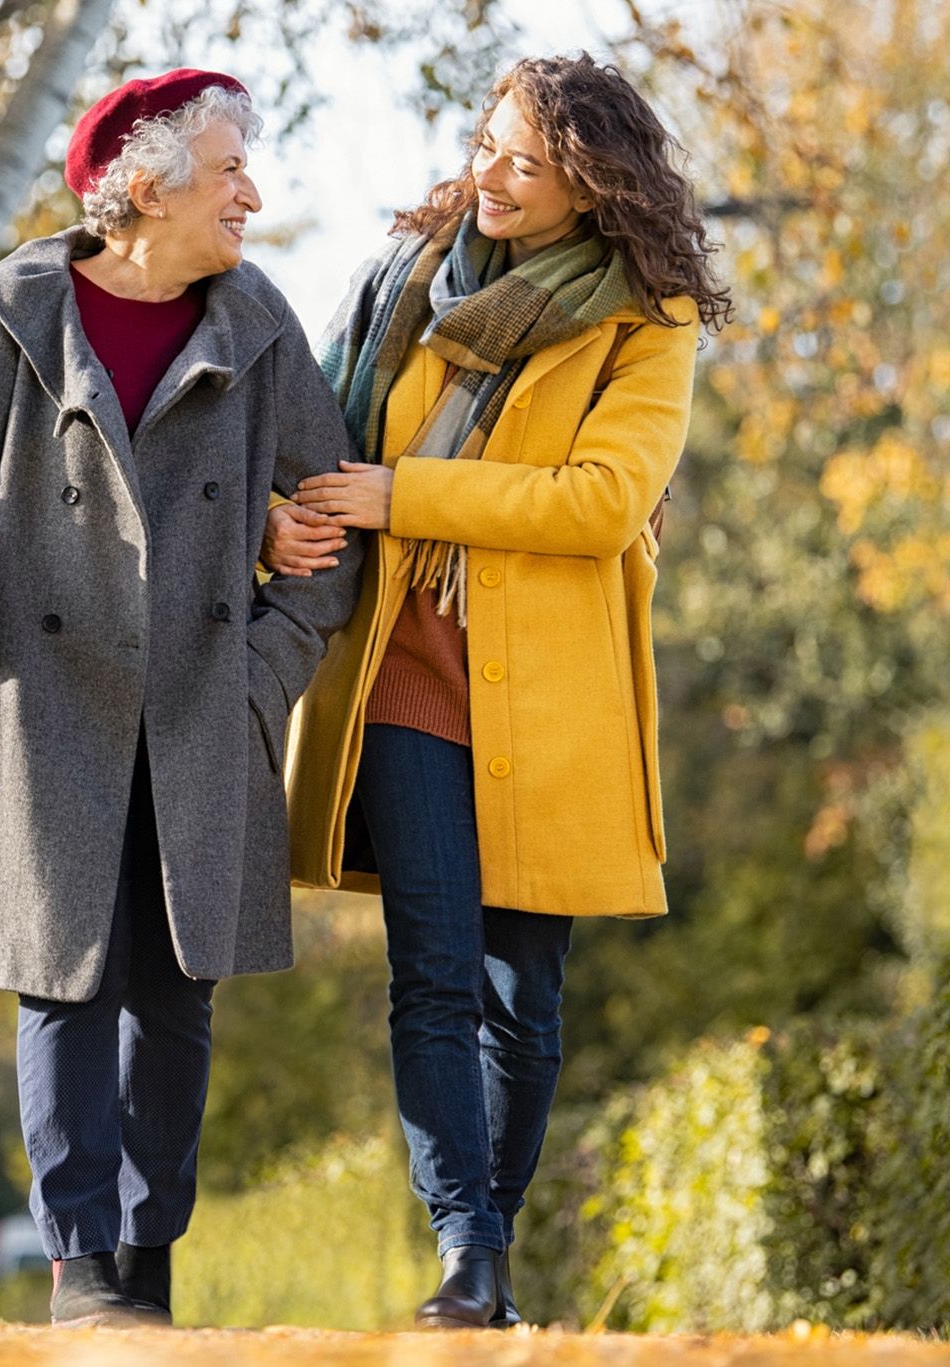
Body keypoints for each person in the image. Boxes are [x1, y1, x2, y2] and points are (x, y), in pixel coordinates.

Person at [261, 53, 732, 1328]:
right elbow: (312, 430)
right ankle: (464, 1252)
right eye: (485, 144)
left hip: (551, 698)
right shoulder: (408, 280)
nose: (489, 176)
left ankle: (492, 1248)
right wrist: (279, 513)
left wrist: (405, 494)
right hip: (407, 668)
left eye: (523, 162)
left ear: (590, 187)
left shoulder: (646, 320)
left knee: (524, 996)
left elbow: (598, 501)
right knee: (433, 971)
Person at [0, 69, 362, 1326]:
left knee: (174, 987)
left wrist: (262, 676)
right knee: (65, 978)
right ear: (142, 192)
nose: (251, 196)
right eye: (227, 174)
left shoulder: (256, 322)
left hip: (203, 704)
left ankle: (149, 1260)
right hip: (44, 699)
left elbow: (329, 525)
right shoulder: (15, 311)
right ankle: (81, 1263)